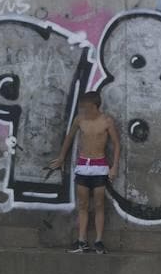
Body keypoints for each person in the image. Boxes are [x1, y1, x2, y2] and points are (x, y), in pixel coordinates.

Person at [50, 90, 120, 254]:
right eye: (82, 108)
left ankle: (99, 241)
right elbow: (69, 137)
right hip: (83, 166)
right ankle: (81, 241)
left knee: (99, 205)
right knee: (82, 205)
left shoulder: (106, 121)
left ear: (96, 107)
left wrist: (114, 166)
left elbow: (116, 144)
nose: (84, 111)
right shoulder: (80, 119)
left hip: (100, 166)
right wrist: (61, 157)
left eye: (87, 108)